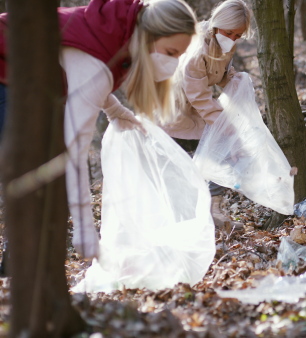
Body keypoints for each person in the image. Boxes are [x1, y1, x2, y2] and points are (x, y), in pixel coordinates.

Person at [0, 0, 198, 259]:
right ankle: (19, 262)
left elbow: (85, 76)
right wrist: (84, 228)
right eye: (170, 53)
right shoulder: (102, 51)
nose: (173, 64)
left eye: (179, 56)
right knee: (30, 161)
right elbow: (73, 150)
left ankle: (16, 260)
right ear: (149, 36)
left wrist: (116, 111)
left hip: (16, 76)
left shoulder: (116, 34)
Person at [162, 0, 252, 232]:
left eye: (237, 35)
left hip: (196, 112)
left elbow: (217, 72)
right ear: (216, 25)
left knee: (219, 154)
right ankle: (186, 223)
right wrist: (224, 124)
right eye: (229, 32)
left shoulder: (224, 44)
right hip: (176, 114)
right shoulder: (196, 49)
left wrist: (233, 79)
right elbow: (199, 96)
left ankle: (214, 212)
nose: (232, 38)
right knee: (183, 168)